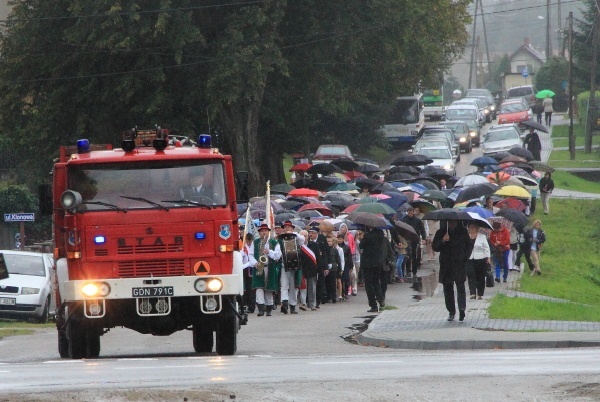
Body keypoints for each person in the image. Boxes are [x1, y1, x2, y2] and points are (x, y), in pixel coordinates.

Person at [432, 220, 474, 322]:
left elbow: (469, 245)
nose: (452, 224)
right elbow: (435, 247)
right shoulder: (441, 232)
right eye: (450, 222)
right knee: (448, 289)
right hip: (446, 265)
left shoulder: (462, 231)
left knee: (460, 286)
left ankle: (462, 309)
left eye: (454, 222)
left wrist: (465, 257)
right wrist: (443, 240)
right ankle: (451, 311)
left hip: (459, 263)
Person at [252, 223, 282, 317]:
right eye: (261, 231)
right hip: (259, 266)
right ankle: (261, 309)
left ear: (268, 232)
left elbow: (278, 255)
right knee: (259, 288)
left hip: (270, 266)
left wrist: (269, 252)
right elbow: (250, 254)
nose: (263, 232)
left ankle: (269, 308)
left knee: (269, 289)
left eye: (265, 231)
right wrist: (254, 263)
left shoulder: (274, 242)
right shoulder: (255, 242)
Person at [278, 221, 303, 314]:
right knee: (284, 285)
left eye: (289, 227)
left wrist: (293, 233)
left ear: (292, 228)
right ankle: (284, 303)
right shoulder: (280, 239)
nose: (287, 228)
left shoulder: (297, 237)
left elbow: (302, 240)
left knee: (294, 286)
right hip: (284, 265)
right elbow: (277, 252)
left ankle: (292, 306)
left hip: (296, 266)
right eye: (285, 227)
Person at [360, 226, 385, 313]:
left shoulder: (367, 235)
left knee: (368, 284)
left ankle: (373, 305)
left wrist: (362, 237)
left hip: (368, 263)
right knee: (376, 281)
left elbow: (361, 245)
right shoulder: (380, 233)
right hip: (378, 262)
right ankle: (381, 299)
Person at [466, 223, 491, 300]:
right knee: (471, 275)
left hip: (481, 258)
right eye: (470, 227)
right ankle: (473, 293)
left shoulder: (482, 236)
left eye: (473, 227)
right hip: (470, 259)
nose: (472, 229)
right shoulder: (466, 237)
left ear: (477, 228)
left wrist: (488, 258)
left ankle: (480, 293)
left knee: (480, 276)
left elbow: (486, 247)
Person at [402, 206, 426, 279]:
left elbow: (422, 230)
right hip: (407, 240)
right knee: (408, 256)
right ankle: (408, 271)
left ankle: (414, 272)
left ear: (413, 212)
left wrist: (424, 238)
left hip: (415, 239)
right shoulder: (404, 219)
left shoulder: (417, 221)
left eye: (411, 213)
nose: (410, 214)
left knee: (414, 256)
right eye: (409, 213)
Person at [306, 224, 324, 310]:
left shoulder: (315, 244)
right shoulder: (302, 245)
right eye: (309, 234)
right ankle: (305, 303)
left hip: (312, 268)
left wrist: (321, 268)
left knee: (312, 287)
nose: (310, 235)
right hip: (304, 268)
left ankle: (312, 303)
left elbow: (319, 257)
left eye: (312, 233)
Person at [241, 233, 257, 313]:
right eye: (247, 241)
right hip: (244, 271)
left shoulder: (254, 247)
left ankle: (252, 306)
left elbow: (252, 259)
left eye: (250, 241)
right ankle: (245, 304)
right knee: (245, 289)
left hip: (251, 268)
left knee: (251, 289)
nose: (248, 242)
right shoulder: (243, 247)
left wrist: (245, 265)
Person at [337, 233, 353, 300]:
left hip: (346, 265)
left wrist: (351, 266)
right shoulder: (336, 247)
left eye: (341, 239)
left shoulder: (346, 247)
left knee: (346, 279)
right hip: (339, 265)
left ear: (343, 239)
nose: (339, 240)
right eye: (338, 239)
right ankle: (341, 292)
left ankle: (346, 293)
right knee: (340, 279)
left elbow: (350, 257)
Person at [325, 236, 341, 303]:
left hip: (333, 268)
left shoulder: (334, 250)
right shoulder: (325, 250)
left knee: (333, 283)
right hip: (326, 268)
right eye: (328, 241)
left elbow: (338, 260)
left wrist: (339, 269)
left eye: (330, 241)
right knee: (327, 283)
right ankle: (328, 296)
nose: (329, 243)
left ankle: (334, 297)